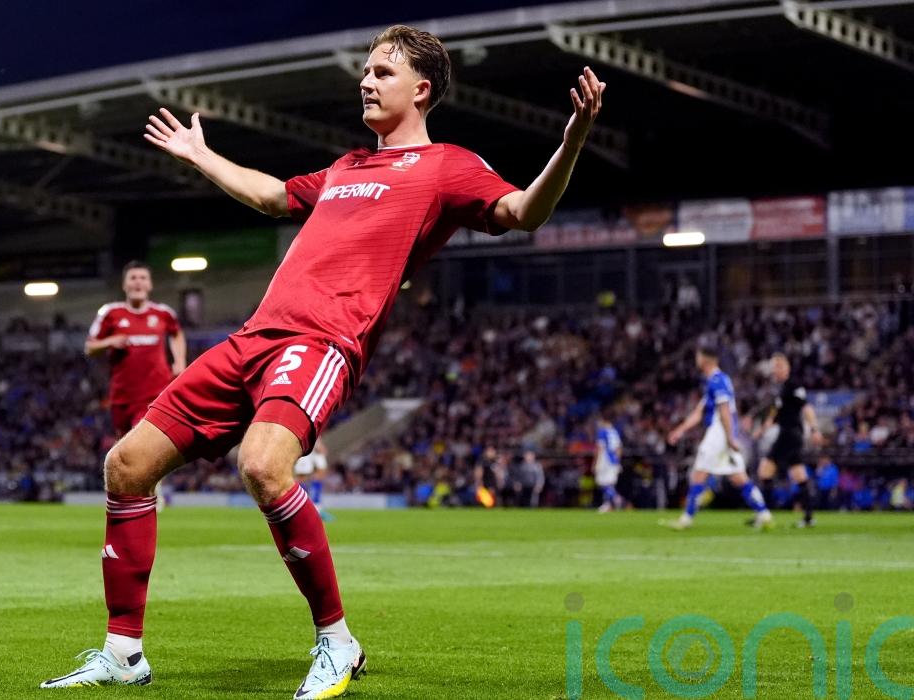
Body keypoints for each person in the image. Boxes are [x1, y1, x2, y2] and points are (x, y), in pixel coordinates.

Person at [40, 24, 606, 698]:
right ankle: (123, 652)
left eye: (383, 72)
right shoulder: (345, 168)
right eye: (365, 71)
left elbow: (523, 212)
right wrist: (201, 154)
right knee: (127, 465)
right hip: (254, 338)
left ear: (422, 90)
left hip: (321, 341)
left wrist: (571, 143)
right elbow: (273, 196)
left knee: (263, 466)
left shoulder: (447, 166)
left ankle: (337, 642)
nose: (366, 82)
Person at [663, 344, 773, 530]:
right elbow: (699, 412)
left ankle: (686, 518)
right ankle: (764, 514)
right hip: (724, 432)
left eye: (698, 356)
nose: (696, 360)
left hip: (719, 432)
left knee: (699, 473)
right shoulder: (714, 381)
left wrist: (729, 437)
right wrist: (680, 430)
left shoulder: (717, 380)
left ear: (704, 359)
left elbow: (725, 410)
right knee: (738, 477)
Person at [86, 261, 187, 437]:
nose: (138, 282)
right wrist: (109, 341)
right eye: (133, 278)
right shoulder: (110, 313)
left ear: (150, 284)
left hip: (155, 395)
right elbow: (89, 348)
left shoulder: (163, 313)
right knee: (123, 446)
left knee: (143, 440)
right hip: (122, 397)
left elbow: (176, 334)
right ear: (124, 285)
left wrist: (180, 361)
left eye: (143, 278)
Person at [754, 354, 822, 527]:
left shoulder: (794, 385)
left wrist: (814, 429)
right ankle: (808, 518)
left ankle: (764, 515)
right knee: (799, 475)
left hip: (790, 434)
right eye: (774, 367)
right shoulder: (781, 388)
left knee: (764, 471)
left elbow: (806, 407)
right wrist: (762, 429)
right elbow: (776, 412)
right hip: (789, 434)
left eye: (779, 366)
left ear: (787, 368)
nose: (776, 370)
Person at [294, 438, 334, 521]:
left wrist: (319, 444)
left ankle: (316, 507)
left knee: (320, 472)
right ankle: (297, 508)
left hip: (312, 439)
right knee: (302, 476)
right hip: (303, 441)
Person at [594, 414, 624, 513]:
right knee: (610, 484)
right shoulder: (615, 432)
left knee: (602, 482)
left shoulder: (602, 432)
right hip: (614, 460)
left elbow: (600, 448)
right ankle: (607, 504)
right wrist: (618, 461)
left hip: (604, 460)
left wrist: (595, 462)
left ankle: (616, 497)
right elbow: (619, 448)